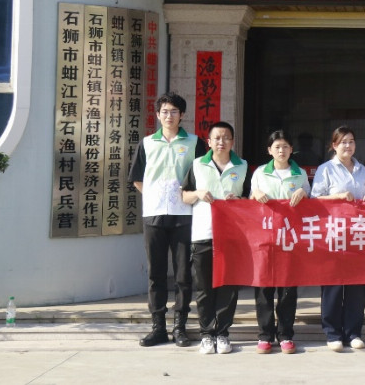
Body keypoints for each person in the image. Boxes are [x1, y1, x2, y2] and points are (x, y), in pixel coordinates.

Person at [129, 92, 207, 347]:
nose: (169, 116)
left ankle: (180, 327)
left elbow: (203, 176)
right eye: (164, 111)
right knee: (156, 273)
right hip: (153, 215)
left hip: (184, 214)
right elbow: (137, 178)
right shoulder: (147, 143)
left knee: (183, 274)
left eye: (174, 111)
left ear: (182, 114)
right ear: (158, 114)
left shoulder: (194, 143)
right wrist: (155, 196)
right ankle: (158, 327)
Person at [180, 121, 249, 355]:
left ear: (233, 141)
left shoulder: (242, 166)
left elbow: (250, 199)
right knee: (204, 287)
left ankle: (223, 333)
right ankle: (207, 334)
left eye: (226, 137)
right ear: (208, 142)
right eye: (217, 138)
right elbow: (184, 195)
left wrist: (238, 201)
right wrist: (198, 193)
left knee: (228, 286)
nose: (221, 142)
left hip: (232, 235)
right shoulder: (198, 164)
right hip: (203, 233)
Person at [310, 125, 365, 352]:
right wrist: (337, 197)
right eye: (343, 142)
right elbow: (315, 199)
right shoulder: (325, 169)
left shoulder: (362, 170)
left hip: (357, 234)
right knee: (333, 285)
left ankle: (353, 332)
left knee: (356, 286)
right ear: (334, 145)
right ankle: (333, 332)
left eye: (351, 141)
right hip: (333, 234)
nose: (348, 145)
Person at [250, 130, 311, 355]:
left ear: (291, 149)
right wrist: (255, 194)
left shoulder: (300, 174)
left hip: (289, 240)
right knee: (263, 288)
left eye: (285, 146)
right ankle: (265, 335)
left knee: (287, 289)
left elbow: (311, 203)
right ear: (269, 150)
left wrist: (303, 192)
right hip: (265, 239)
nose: (281, 150)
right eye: (277, 147)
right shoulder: (259, 173)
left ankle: (285, 335)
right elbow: (249, 203)